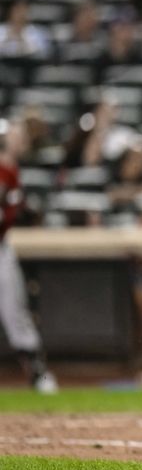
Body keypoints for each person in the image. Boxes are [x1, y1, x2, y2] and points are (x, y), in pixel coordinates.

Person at [0, 119, 58, 393]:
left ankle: (38, 374)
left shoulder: (11, 171)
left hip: (1, 248)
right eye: (13, 137)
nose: (19, 141)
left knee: (16, 312)